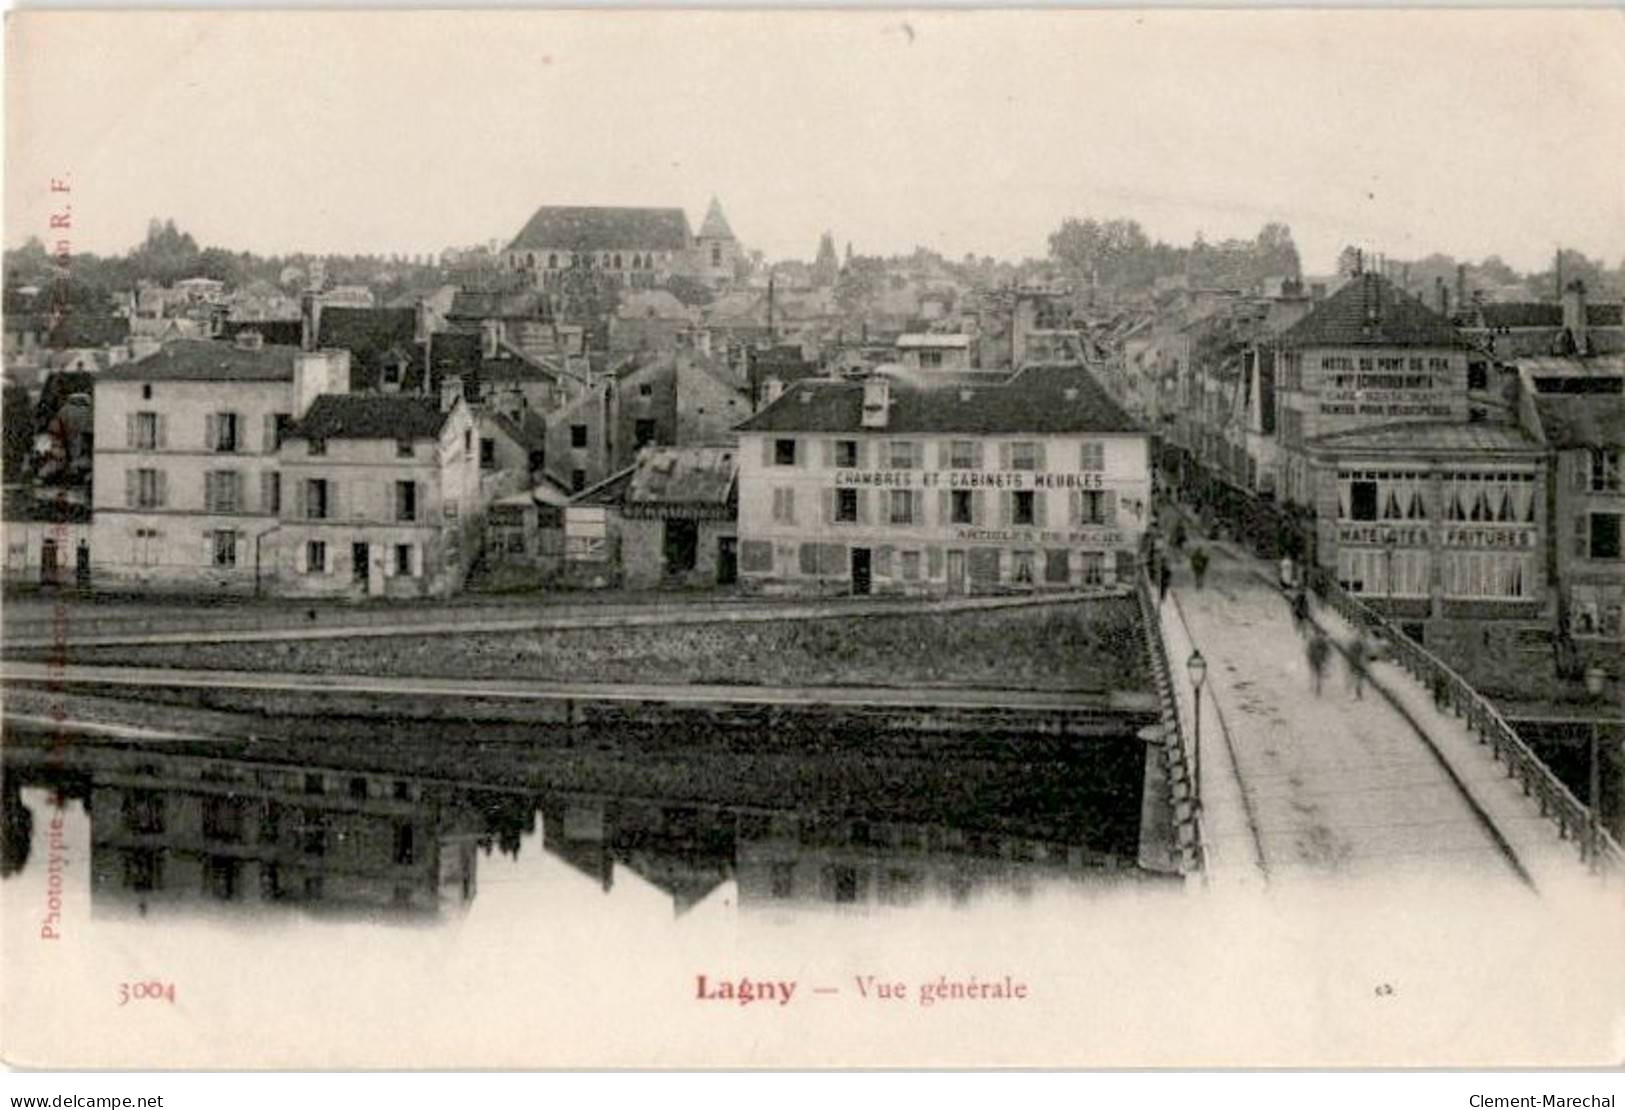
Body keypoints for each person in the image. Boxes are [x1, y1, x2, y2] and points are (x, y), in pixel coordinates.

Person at [1306, 629, 1329, 696]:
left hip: (1314, 659)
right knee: (1318, 674)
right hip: (1319, 659)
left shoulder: (1312, 640)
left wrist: (1309, 658)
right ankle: (1317, 686)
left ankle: (1314, 686)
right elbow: (1326, 651)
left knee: (1314, 673)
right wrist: (1325, 659)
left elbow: (1309, 651)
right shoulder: (1323, 641)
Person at [1346, 632, 1369, 699]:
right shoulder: (1362, 645)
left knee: (1356, 677)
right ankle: (1357, 690)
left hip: (1356, 663)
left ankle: (1356, 690)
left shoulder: (1354, 645)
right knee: (1358, 678)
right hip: (1359, 663)